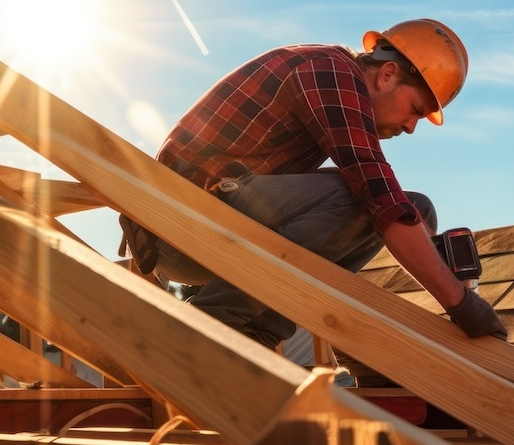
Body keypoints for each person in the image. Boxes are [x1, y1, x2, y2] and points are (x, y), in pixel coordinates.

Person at [120, 18, 507, 349]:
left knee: (415, 209)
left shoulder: (329, 73)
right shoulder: (327, 70)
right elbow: (377, 191)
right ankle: (209, 324)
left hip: (212, 224)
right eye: (415, 110)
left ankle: (257, 333)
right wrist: (462, 305)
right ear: (388, 75)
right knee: (370, 199)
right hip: (177, 226)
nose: (410, 127)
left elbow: (392, 204)